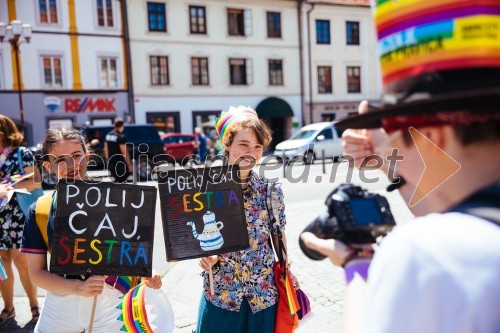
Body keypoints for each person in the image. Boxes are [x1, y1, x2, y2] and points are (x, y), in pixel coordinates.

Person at [301, 1, 500, 332]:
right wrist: (385, 158)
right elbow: (454, 204)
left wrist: (357, 265)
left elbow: (447, 225)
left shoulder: (428, 254)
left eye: (395, 138)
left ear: (433, 135)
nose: (390, 151)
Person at [20, 128, 162, 333]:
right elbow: (36, 274)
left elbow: (130, 255)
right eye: (60, 159)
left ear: (88, 156)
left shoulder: (116, 201)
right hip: (60, 307)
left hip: (109, 306)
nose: (71, 165)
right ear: (47, 166)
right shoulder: (40, 210)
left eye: (77, 156)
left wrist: (147, 274)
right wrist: (79, 288)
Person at [196, 106, 299, 333]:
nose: (250, 152)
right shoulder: (205, 189)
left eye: (257, 146)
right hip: (221, 295)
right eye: (243, 144)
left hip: (262, 298)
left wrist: (286, 269)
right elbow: (192, 235)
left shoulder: (270, 191)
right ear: (228, 144)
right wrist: (204, 255)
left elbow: (278, 237)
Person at [0, 115, 40, 327]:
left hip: (18, 213)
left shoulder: (21, 153)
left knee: (21, 260)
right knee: (2, 262)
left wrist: (8, 186)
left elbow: (35, 181)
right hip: (0, 216)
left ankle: (34, 305)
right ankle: (8, 306)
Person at [104, 118, 132, 183]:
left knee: (117, 182)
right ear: (123, 126)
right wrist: (129, 164)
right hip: (120, 164)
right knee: (122, 182)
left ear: (114, 125)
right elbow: (124, 152)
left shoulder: (108, 135)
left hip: (111, 163)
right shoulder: (121, 137)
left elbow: (105, 149)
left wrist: (108, 160)